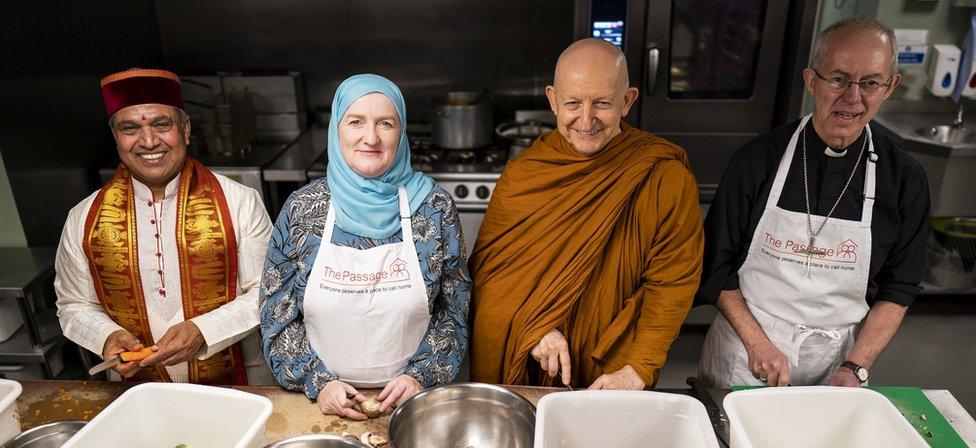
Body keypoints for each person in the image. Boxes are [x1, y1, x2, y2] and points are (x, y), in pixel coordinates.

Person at [697, 17, 931, 388]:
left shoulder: (905, 179)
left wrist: (855, 367)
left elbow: (898, 289)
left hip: (837, 363)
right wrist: (757, 343)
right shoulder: (757, 160)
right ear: (811, 81)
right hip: (744, 353)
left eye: (870, 83)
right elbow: (717, 266)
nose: (853, 97)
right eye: (838, 79)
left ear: (890, 87)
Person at [469, 39, 703, 390]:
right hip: (531, 367)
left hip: (613, 369)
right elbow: (490, 278)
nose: (587, 119)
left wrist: (638, 369)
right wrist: (534, 330)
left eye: (603, 103)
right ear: (552, 100)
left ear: (628, 101)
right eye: (573, 103)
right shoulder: (526, 174)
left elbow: (671, 285)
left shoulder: (665, 178)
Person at [260, 74, 470, 419]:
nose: (370, 137)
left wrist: (419, 376)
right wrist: (320, 382)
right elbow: (275, 316)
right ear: (336, 129)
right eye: (356, 122)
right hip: (321, 407)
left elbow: (455, 310)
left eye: (385, 123)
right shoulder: (302, 209)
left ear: (401, 133)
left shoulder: (434, 208)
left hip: (414, 404)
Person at [55, 68, 274, 384]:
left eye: (161, 124)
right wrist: (106, 336)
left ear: (185, 129)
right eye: (130, 128)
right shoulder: (84, 219)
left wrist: (204, 331)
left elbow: (268, 292)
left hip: (241, 384)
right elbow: (74, 304)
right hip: (138, 396)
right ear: (115, 137)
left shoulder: (239, 202)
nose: (147, 141)